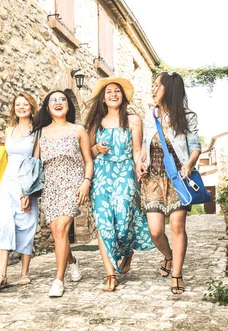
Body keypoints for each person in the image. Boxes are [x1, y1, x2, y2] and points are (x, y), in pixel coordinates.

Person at [83, 77, 154, 292]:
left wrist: (139, 166)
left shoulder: (133, 120)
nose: (113, 95)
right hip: (101, 175)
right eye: (108, 92)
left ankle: (128, 250)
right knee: (104, 223)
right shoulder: (95, 122)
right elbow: (88, 153)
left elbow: (136, 150)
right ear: (103, 99)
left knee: (123, 219)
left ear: (122, 96)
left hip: (124, 172)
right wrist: (97, 148)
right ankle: (110, 275)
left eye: (117, 91)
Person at [136, 72, 202, 295]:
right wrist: (140, 162)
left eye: (157, 85)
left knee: (176, 225)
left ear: (169, 89)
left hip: (178, 178)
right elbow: (145, 146)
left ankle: (176, 274)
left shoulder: (187, 116)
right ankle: (169, 256)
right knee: (155, 232)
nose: (153, 89)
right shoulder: (150, 115)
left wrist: (189, 164)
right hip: (153, 178)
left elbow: (195, 145)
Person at [33, 90, 93, 297]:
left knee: (60, 229)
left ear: (68, 106)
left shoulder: (78, 130)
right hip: (51, 186)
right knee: (57, 233)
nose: (58, 103)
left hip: (72, 183)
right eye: (53, 100)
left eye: (63, 100)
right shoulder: (40, 133)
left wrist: (86, 182)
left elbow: (88, 160)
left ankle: (58, 280)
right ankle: (72, 261)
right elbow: (34, 164)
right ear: (47, 107)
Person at [0, 92, 39, 288]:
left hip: (26, 184)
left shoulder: (37, 131)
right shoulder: (9, 130)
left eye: (25, 104)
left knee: (26, 226)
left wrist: (27, 192)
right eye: (18, 104)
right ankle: (2, 274)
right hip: (7, 183)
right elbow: (5, 158)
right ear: (14, 108)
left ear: (31, 107)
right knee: (4, 224)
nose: (21, 107)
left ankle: (24, 272)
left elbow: (35, 162)